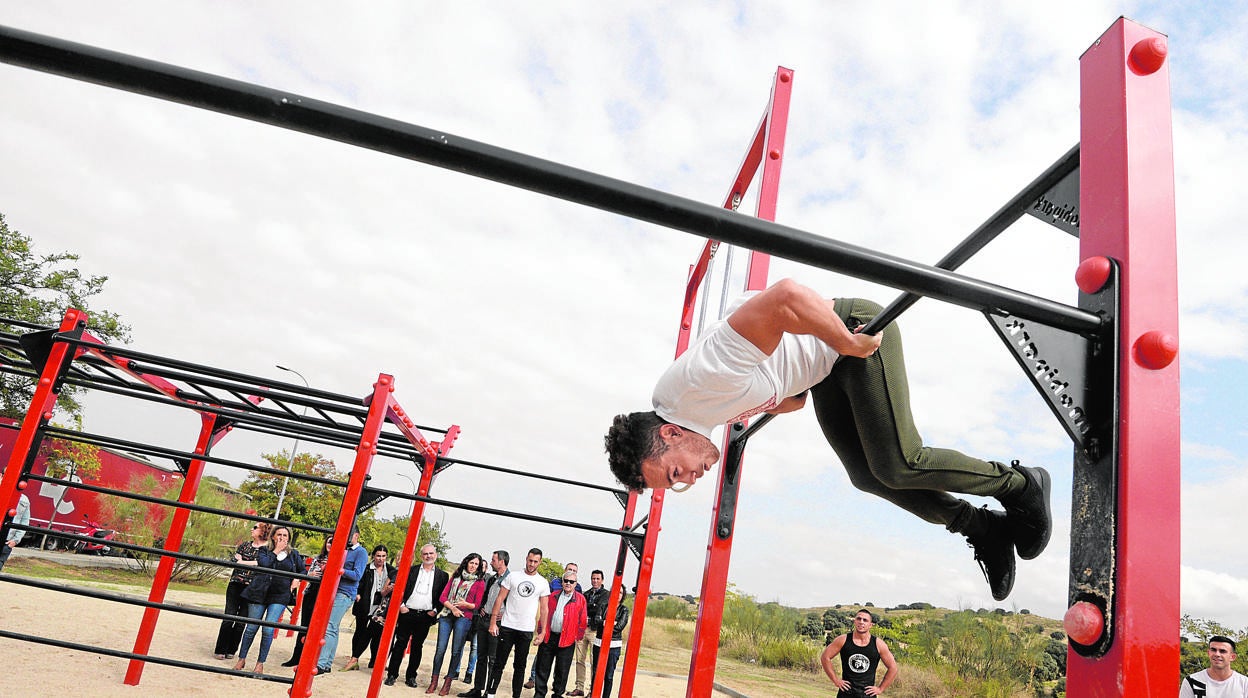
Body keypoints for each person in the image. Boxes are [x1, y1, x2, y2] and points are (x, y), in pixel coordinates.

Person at [604, 278, 1053, 601]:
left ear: (669, 433)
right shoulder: (697, 414)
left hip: (852, 330)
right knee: (868, 476)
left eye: (675, 473)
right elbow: (790, 398)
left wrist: (846, 341)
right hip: (827, 370)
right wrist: (779, 391)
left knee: (898, 462)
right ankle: (984, 527)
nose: (689, 479)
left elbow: (785, 297)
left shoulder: (699, 383)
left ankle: (1021, 484)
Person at [234, 525, 306, 675]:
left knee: (268, 629)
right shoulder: (264, 551)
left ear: (289, 538)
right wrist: (276, 550)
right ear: (273, 536)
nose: (282, 537)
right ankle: (242, 658)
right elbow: (264, 564)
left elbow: (303, 570)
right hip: (259, 592)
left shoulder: (293, 554)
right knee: (251, 627)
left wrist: (296, 580)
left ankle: (260, 663)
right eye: (279, 534)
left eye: (285, 535)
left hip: (279, 595)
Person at [486, 548, 551, 698]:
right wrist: (492, 622)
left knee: (520, 666)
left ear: (539, 562)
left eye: (535, 561)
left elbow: (544, 609)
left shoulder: (542, 582)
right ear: (526, 559)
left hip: (526, 630)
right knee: (499, 663)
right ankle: (491, 694)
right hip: (508, 626)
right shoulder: (514, 576)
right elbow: (499, 599)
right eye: (530, 560)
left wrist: (542, 632)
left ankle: (516, 695)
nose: (532, 564)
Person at [386, 543, 450, 688]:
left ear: (436, 555)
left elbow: (442, 595)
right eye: (425, 554)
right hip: (408, 612)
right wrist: (401, 606)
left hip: (425, 616)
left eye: (431, 553)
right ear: (421, 556)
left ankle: (411, 677)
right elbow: (400, 589)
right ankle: (392, 675)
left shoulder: (442, 575)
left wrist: (435, 611)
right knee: (399, 644)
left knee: (417, 647)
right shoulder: (411, 571)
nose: (428, 556)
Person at [428, 553, 486, 695]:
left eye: (476, 564)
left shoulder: (479, 582)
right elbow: (443, 596)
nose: (473, 566)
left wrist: (465, 604)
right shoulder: (455, 577)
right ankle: (434, 681)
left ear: (479, 567)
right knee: (440, 649)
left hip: (464, 617)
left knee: (456, 651)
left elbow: (477, 605)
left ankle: (447, 683)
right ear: (466, 562)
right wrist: (453, 608)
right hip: (448, 614)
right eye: (471, 563)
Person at [316, 524, 370, 674]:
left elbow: (357, 575)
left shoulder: (361, 552)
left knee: (330, 626)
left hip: (345, 592)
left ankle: (322, 663)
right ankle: (326, 662)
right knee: (332, 627)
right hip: (333, 590)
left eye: (350, 535)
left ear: (357, 536)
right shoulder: (341, 549)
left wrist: (339, 570)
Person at [214, 521, 271, 659]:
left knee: (241, 621)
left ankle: (231, 650)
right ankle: (220, 649)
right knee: (229, 616)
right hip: (236, 584)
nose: (252, 529)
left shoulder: (267, 550)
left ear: (263, 531)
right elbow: (235, 559)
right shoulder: (245, 545)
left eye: (255, 528)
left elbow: (262, 564)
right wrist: (250, 563)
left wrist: (243, 562)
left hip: (251, 588)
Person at [459, 550, 510, 698]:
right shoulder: (493, 578)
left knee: (492, 660)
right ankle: (477, 689)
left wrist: (505, 615)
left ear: (501, 562)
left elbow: (513, 603)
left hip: (498, 624)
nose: (491, 562)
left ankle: (489, 692)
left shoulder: (510, 580)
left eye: (494, 560)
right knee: (481, 656)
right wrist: (481, 608)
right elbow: (487, 597)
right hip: (484, 620)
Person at [532, 569, 587, 698]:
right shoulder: (553, 596)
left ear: (575, 584)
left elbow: (583, 621)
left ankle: (557, 694)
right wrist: (541, 632)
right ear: (562, 582)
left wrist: (577, 637)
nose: (568, 583)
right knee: (542, 667)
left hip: (567, 640)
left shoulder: (580, 599)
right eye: (566, 581)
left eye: (571, 581)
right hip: (549, 637)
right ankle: (539, 694)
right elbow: (543, 615)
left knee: (562, 671)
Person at [820, 609, 898, 697]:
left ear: (870, 625)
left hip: (867, 695)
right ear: (854, 621)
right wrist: (835, 680)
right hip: (846, 693)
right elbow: (825, 657)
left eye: (865, 620)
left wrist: (880, 689)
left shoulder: (878, 644)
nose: (861, 622)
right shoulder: (843, 640)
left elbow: (893, 667)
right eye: (859, 619)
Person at [343, 544, 397, 671]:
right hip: (366, 603)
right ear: (373, 556)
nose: (380, 559)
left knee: (376, 634)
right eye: (378, 556)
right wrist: (358, 594)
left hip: (381, 607)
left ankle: (374, 660)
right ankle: (354, 657)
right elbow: (359, 583)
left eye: (383, 556)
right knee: (360, 631)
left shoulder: (390, 570)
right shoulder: (367, 569)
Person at [281, 536, 330, 667]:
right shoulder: (318, 558)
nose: (330, 544)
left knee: (318, 628)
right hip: (311, 592)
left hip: (325, 595)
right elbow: (307, 575)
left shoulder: (338, 560)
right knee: (304, 626)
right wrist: (310, 575)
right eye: (328, 541)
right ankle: (296, 657)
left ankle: (311, 658)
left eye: (333, 542)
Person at [572, 570, 609, 697]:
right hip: (582, 629)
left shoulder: (606, 595)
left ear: (602, 580)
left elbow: (600, 608)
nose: (595, 581)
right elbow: (580, 608)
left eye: (598, 579)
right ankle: (579, 687)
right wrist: (591, 606)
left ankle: (593, 690)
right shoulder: (586, 593)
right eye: (593, 578)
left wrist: (591, 607)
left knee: (595, 662)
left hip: (596, 631)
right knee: (579, 659)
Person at [589, 586, 629, 698]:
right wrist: (609, 623)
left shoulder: (624, 610)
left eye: (620, 592)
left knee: (609, 675)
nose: (618, 595)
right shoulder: (603, 606)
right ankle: (594, 695)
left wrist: (606, 623)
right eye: (616, 592)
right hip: (599, 643)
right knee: (596, 673)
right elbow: (596, 621)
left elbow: (619, 627)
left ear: (623, 595)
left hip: (614, 646)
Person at [1180, 636, 1248, 697]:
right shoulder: (1192, 681)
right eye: (1213, 650)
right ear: (1208, 653)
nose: (1217, 654)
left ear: (1232, 657)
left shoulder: (1244, 683)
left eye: (1222, 651)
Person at [0, 492, 30, 573]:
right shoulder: (24, 500)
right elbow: (24, 521)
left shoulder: (24, 500)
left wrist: (15, 540)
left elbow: (24, 521)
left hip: (7, 541)